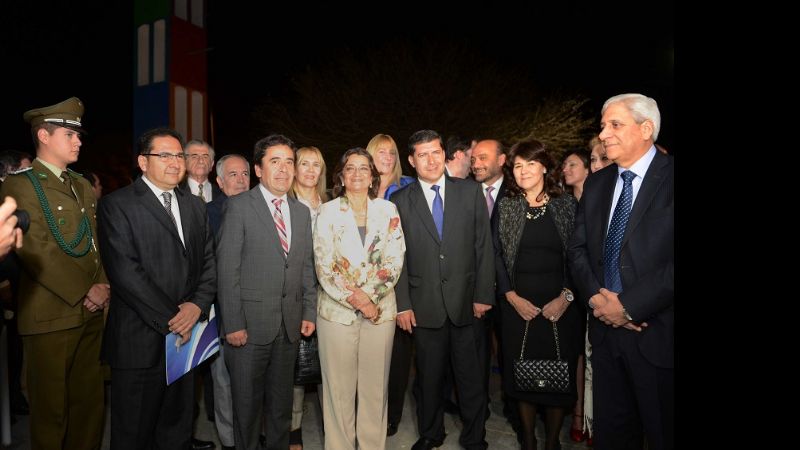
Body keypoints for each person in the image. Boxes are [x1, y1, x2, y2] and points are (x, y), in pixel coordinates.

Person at [0, 97, 110, 450]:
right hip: (51, 313)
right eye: (70, 134)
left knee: (89, 406)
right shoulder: (20, 185)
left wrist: (104, 284)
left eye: (79, 136)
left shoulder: (80, 185)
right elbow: (35, 248)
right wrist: (85, 290)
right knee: (51, 413)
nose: (79, 141)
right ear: (44, 136)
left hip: (91, 310)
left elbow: (94, 242)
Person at [97, 127, 216, 449]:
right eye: (164, 155)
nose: (175, 162)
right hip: (140, 341)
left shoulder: (194, 206)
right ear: (142, 161)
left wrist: (196, 307)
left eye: (179, 155)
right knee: (134, 432)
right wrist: (174, 319)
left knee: (177, 430)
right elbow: (126, 273)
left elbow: (209, 263)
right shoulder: (116, 205)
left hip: (185, 342)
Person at [568, 93, 673, 450]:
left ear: (646, 129)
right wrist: (601, 302)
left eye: (615, 125)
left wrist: (629, 306)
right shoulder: (597, 183)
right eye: (602, 125)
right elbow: (577, 250)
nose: (603, 134)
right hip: (605, 334)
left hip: (657, 336)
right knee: (612, 437)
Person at [391, 129, 494, 450]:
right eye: (423, 154)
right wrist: (403, 304)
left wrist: (482, 295)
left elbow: (483, 247)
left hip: (467, 304)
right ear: (411, 160)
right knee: (428, 380)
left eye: (436, 152)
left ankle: (475, 437)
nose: (431, 160)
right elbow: (397, 259)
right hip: (424, 307)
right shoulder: (399, 202)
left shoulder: (469, 192)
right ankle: (431, 433)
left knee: (472, 379)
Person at [216, 134, 317, 450]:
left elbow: (305, 267)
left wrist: (309, 311)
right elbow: (227, 269)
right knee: (246, 411)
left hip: (288, 327)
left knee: (280, 410)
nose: (284, 169)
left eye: (289, 162)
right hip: (248, 329)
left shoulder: (300, 212)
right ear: (259, 169)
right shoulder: (239, 208)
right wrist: (232, 323)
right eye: (275, 161)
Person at [313, 147, 405, 450]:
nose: (356, 174)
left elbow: (394, 259)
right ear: (341, 174)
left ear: (372, 175)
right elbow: (324, 265)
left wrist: (370, 298)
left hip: (380, 312)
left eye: (364, 168)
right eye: (350, 168)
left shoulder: (387, 211)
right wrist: (358, 300)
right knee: (338, 390)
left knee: (375, 388)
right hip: (337, 313)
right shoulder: (327, 211)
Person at [493, 139, 579, 450]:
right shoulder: (507, 207)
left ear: (544, 166)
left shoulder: (566, 206)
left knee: (559, 377)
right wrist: (511, 297)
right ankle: (528, 440)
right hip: (518, 307)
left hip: (560, 307)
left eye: (530, 163)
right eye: (518, 165)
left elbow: (578, 257)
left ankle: (552, 441)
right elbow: (496, 255)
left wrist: (566, 298)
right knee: (521, 377)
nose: (524, 170)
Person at [365, 133, 414, 436]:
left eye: (392, 153)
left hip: (400, 283)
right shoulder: (357, 187)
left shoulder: (407, 188)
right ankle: (368, 413)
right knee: (367, 358)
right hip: (362, 288)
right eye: (381, 152)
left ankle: (391, 415)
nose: (387, 157)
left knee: (397, 358)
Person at [206, 154, 251, 450]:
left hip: (260, 312)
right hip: (221, 313)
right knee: (223, 382)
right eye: (233, 175)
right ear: (220, 182)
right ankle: (229, 441)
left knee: (254, 384)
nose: (241, 179)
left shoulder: (265, 208)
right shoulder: (206, 213)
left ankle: (251, 435)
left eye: (245, 174)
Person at [287, 146, 328, 450]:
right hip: (298, 293)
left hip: (329, 293)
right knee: (297, 367)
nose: (311, 171)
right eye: (305, 164)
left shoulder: (329, 203)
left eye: (317, 165)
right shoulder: (285, 203)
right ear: (295, 168)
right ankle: (294, 430)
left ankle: (334, 427)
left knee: (328, 365)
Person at [366, 133, 414, 200]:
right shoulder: (360, 187)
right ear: (370, 156)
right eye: (382, 152)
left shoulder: (410, 185)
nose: (389, 157)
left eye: (392, 153)